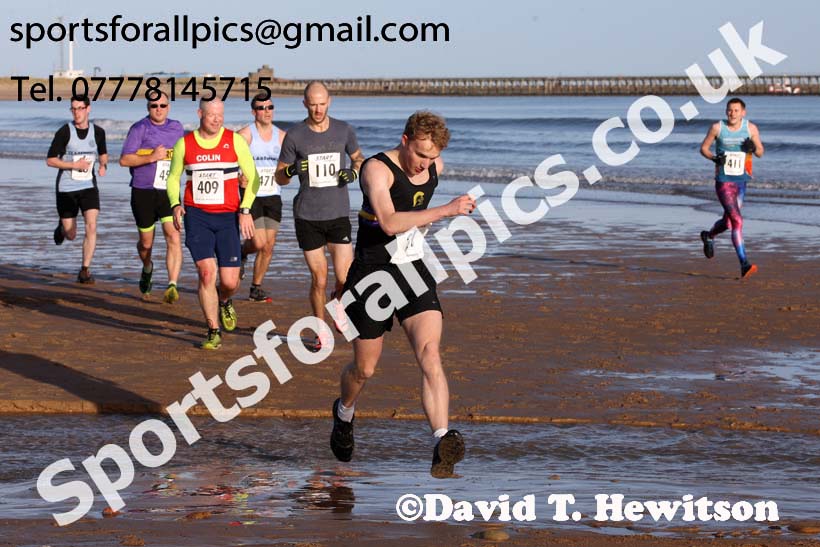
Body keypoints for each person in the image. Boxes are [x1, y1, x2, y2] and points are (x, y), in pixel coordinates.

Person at [329, 111, 477, 478]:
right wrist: (446, 210)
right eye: (420, 155)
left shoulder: (434, 162)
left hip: (412, 268)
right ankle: (344, 411)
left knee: (430, 353)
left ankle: (442, 439)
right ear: (405, 140)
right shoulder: (376, 170)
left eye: (432, 158)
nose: (425, 165)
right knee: (364, 368)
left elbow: (421, 196)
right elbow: (391, 223)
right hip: (371, 274)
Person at [275, 81, 364, 348]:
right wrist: (291, 170)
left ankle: (339, 307)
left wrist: (354, 172)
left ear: (329, 102)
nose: (317, 108)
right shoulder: (295, 136)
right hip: (307, 216)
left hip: (337, 213)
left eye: (322, 103)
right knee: (320, 279)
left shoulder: (344, 130)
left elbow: (359, 158)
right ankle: (319, 330)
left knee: (344, 278)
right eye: (312, 103)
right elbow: (280, 177)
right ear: (305, 103)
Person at [165, 98, 259, 350]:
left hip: (228, 217)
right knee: (207, 273)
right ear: (200, 113)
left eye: (220, 115)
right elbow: (173, 179)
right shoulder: (185, 143)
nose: (217, 119)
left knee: (229, 282)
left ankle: (225, 301)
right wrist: (175, 204)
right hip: (197, 216)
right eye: (211, 115)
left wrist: (245, 209)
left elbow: (254, 178)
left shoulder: (235, 141)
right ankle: (213, 330)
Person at [119, 91, 185, 302]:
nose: (158, 109)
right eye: (154, 105)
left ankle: (172, 285)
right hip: (143, 191)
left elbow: (185, 155)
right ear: (148, 108)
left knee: (173, 236)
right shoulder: (140, 128)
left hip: (168, 192)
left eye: (162, 105)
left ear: (169, 107)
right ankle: (147, 267)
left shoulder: (177, 128)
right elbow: (124, 160)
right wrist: (152, 156)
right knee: (146, 244)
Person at [699, 97, 764, 279]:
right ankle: (744, 263)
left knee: (729, 223)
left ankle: (709, 235)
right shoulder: (717, 128)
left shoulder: (750, 128)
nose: (732, 113)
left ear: (743, 112)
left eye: (736, 110)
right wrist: (713, 158)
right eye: (729, 110)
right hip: (724, 181)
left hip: (741, 181)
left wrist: (752, 147)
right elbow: (703, 148)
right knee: (738, 221)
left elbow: (760, 152)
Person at [46, 95, 108, 284]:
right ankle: (62, 228)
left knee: (92, 225)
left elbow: (103, 154)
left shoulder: (98, 132)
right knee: (71, 234)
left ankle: (84, 270)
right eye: (73, 109)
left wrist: (103, 166)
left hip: (88, 185)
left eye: (80, 108)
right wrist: (74, 165)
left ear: (88, 109)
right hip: (66, 187)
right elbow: (50, 160)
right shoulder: (64, 131)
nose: (76, 112)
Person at [237, 93, 286, 302]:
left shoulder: (282, 136)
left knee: (269, 245)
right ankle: (242, 252)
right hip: (252, 194)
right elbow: (230, 159)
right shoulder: (245, 134)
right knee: (257, 242)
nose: (266, 111)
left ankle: (255, 287)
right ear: (253, 111)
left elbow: (288, 163)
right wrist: (239, 176)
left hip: (273, 194)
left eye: (269, 107)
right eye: (261, 108)